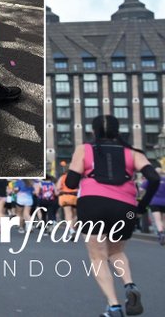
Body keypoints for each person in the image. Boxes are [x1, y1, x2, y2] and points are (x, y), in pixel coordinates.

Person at [65, 115, 159, 317]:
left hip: (93, 204)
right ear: (118, 131)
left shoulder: (85, 149)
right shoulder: (132, 153)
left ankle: (114, 306)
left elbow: (71, 183)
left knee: (98, 257)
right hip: (125, 206)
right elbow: (154, 178)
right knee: (116, 252)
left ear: (94, 131)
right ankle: (129, 284)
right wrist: (141, 206)